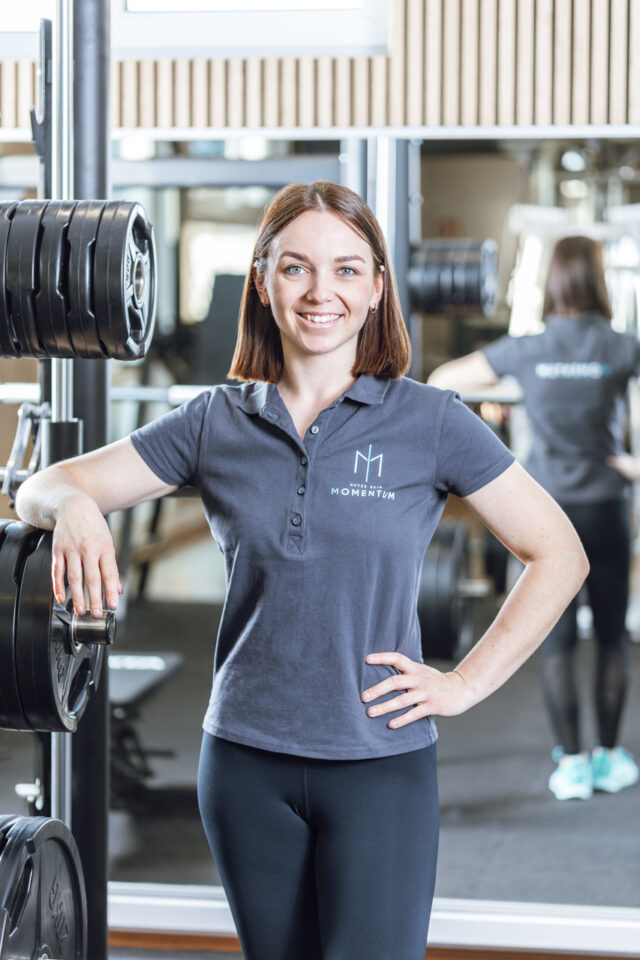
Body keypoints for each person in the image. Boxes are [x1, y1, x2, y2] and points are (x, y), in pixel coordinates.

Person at [15, 183, 588, 960]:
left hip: (379, 765)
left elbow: (559, 553)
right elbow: (41, 486)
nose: (322, 292)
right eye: (296, 268)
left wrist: (465, 684)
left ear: (377, 287)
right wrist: (77, 507)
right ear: (262, 281)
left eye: (347, 269)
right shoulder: (216, 421)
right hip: (244, 765)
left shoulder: (431, 421)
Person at [429, 234, 640, 803]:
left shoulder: (527, 349)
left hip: (545, 514)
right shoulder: (621, 346)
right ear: (598, 279)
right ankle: (608, 758)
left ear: (553, 280)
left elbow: (442, 380)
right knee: (612, 639)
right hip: (605, 507)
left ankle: (571, 764)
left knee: (559, 641)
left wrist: (505, 390)